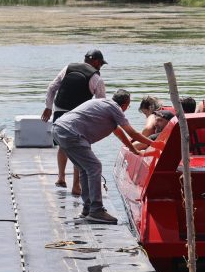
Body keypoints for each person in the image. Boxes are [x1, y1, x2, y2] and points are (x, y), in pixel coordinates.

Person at [52, 89, 152, 224]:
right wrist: (156, 143)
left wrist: (133, 149)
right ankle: (96, 210)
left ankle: (88, 209)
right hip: (71, 133)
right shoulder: (114, 108)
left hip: (59, 129)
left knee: (84, 169)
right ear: (126, 104)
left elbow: (119, 133)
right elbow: (132, 133)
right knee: (94, 167)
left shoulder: (103, 104)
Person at [41, 49, 107, 196]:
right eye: (101, 64)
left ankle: (61, 178)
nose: (100, 67)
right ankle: (76, 185)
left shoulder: (68, 68)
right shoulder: (96, 78)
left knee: (63, 144)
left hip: (60, 108)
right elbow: (101, 102)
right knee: (80, 148)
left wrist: (48, 107)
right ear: (96, 61)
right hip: (79, 115)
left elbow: (52, 87)